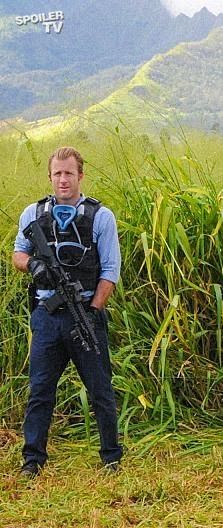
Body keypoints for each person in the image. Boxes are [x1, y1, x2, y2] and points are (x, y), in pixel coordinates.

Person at [12, 147, 122, 477]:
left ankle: (111, 457)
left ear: (80, 176)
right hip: (47, 316)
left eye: (69, 173)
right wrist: (33, 265)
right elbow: (18, 254)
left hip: (86, 312)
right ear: (50, 176)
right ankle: (32, 460)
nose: (63, 179)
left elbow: (110, 271)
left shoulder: (100, 216)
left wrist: (93, 311)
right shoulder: (33, 213)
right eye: (58, 173)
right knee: (40, 390)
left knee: (101, 389)